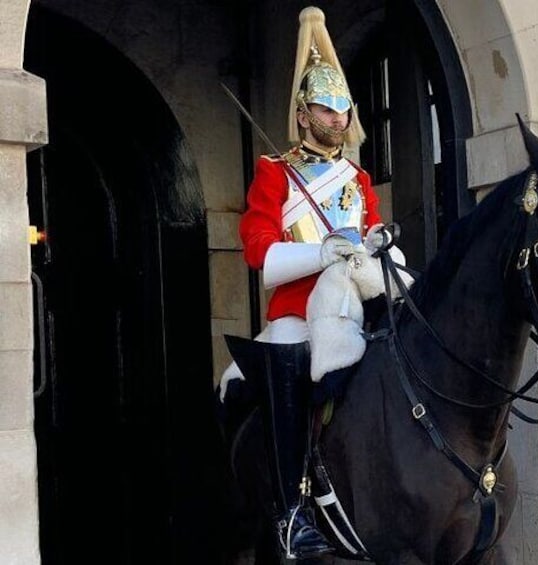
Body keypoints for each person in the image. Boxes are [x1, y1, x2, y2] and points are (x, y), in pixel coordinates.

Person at [219, 6, 388, 560]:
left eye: (342, 108)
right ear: (302, 111)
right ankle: (292, 513)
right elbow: (259, 252)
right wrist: (322, 250)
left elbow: (371, 237)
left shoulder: (360, 180)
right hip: (295, 313)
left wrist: (378, 248)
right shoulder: (275, 171)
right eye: (324, 107)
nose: (336, 118)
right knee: (290, 364)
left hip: (353, 305)